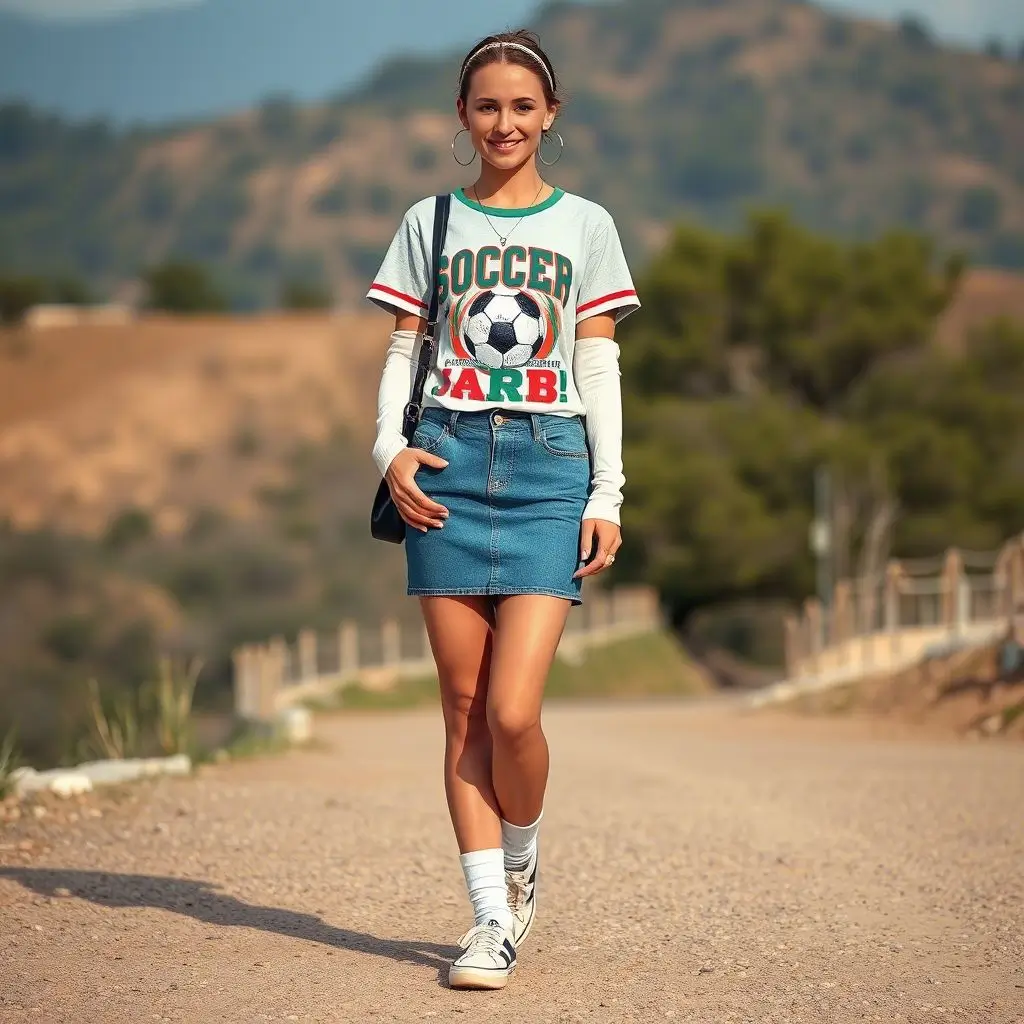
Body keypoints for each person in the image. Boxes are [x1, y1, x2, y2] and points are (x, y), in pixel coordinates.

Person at [366, 28, 639, 991]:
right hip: (445, 460)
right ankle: (489, 917)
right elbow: (404, 353)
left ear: (551, 116)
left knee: (515, 713)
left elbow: (597, 362)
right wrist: (389, 451)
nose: (505, 122)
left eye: (524, 106)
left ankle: (522, 859)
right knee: (463, 709)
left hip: (549, 464)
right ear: (462, 116)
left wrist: (606, 491)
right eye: (488, 106)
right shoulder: (428, 221)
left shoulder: (587, 226)